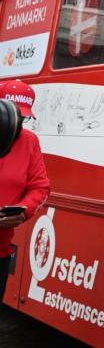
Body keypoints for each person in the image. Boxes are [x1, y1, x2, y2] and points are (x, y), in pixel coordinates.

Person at [0, 79, 51, 300]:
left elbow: (40, 187)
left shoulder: (29, 141)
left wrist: (23, 210)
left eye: (22, 117)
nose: (16, 123)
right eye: (11, 115)